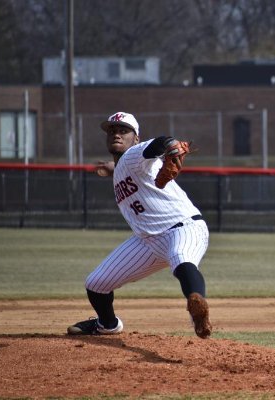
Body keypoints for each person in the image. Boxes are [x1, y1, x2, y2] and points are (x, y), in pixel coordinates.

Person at [67, 111, 212, 339]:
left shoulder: (135, 154)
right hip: (147, 241)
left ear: (135, 138)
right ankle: (108, 324)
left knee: (181, 258)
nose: (116, 134)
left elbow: (157, 144)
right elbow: (127, 167)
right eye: (112, 130)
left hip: (183, 228)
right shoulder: (124, 165)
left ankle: (197, 304)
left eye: (123, 131)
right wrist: (110, 167)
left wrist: (170, 143)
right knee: (96, 283)